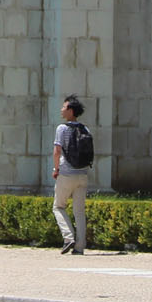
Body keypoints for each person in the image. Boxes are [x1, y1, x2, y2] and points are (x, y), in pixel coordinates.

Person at [51, 95, 94, 257]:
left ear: (70, 110)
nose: (62, 109)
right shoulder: (85, 129)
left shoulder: (62, 129)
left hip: (67, 173)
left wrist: (56, 169)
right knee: (79, 212)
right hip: (82, 174)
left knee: (58, 206)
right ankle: (80, 247)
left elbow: (57, 151)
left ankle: (68, 237)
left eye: (64, 107)